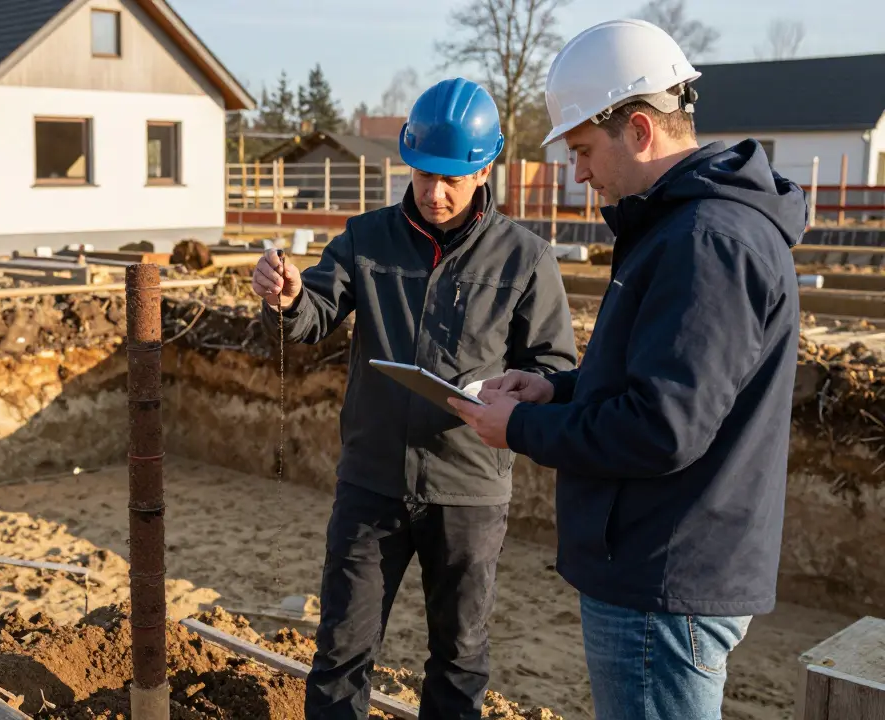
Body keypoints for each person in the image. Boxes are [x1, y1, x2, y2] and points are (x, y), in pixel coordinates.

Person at [450, 19, 806, 720]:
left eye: (583, 149)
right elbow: (662, 381)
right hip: (661, 568)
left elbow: (661, 428)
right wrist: (555, 388)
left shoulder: (705, 242)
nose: (579, 171)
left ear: (640, 131)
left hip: (663, 578)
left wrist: (522, 427)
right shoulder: (683, 230)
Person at [251, 77, 577, 719]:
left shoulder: (526, 259)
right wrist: (286, 300)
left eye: (452, 177)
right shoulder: (364, 239)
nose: (435, 191)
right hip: (372, 483)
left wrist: (521, 393)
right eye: (424, 173)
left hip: (470, 491)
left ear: (486, 167)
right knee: (341, 650)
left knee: (458, 659)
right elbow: (313, 315)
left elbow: (553, 366)